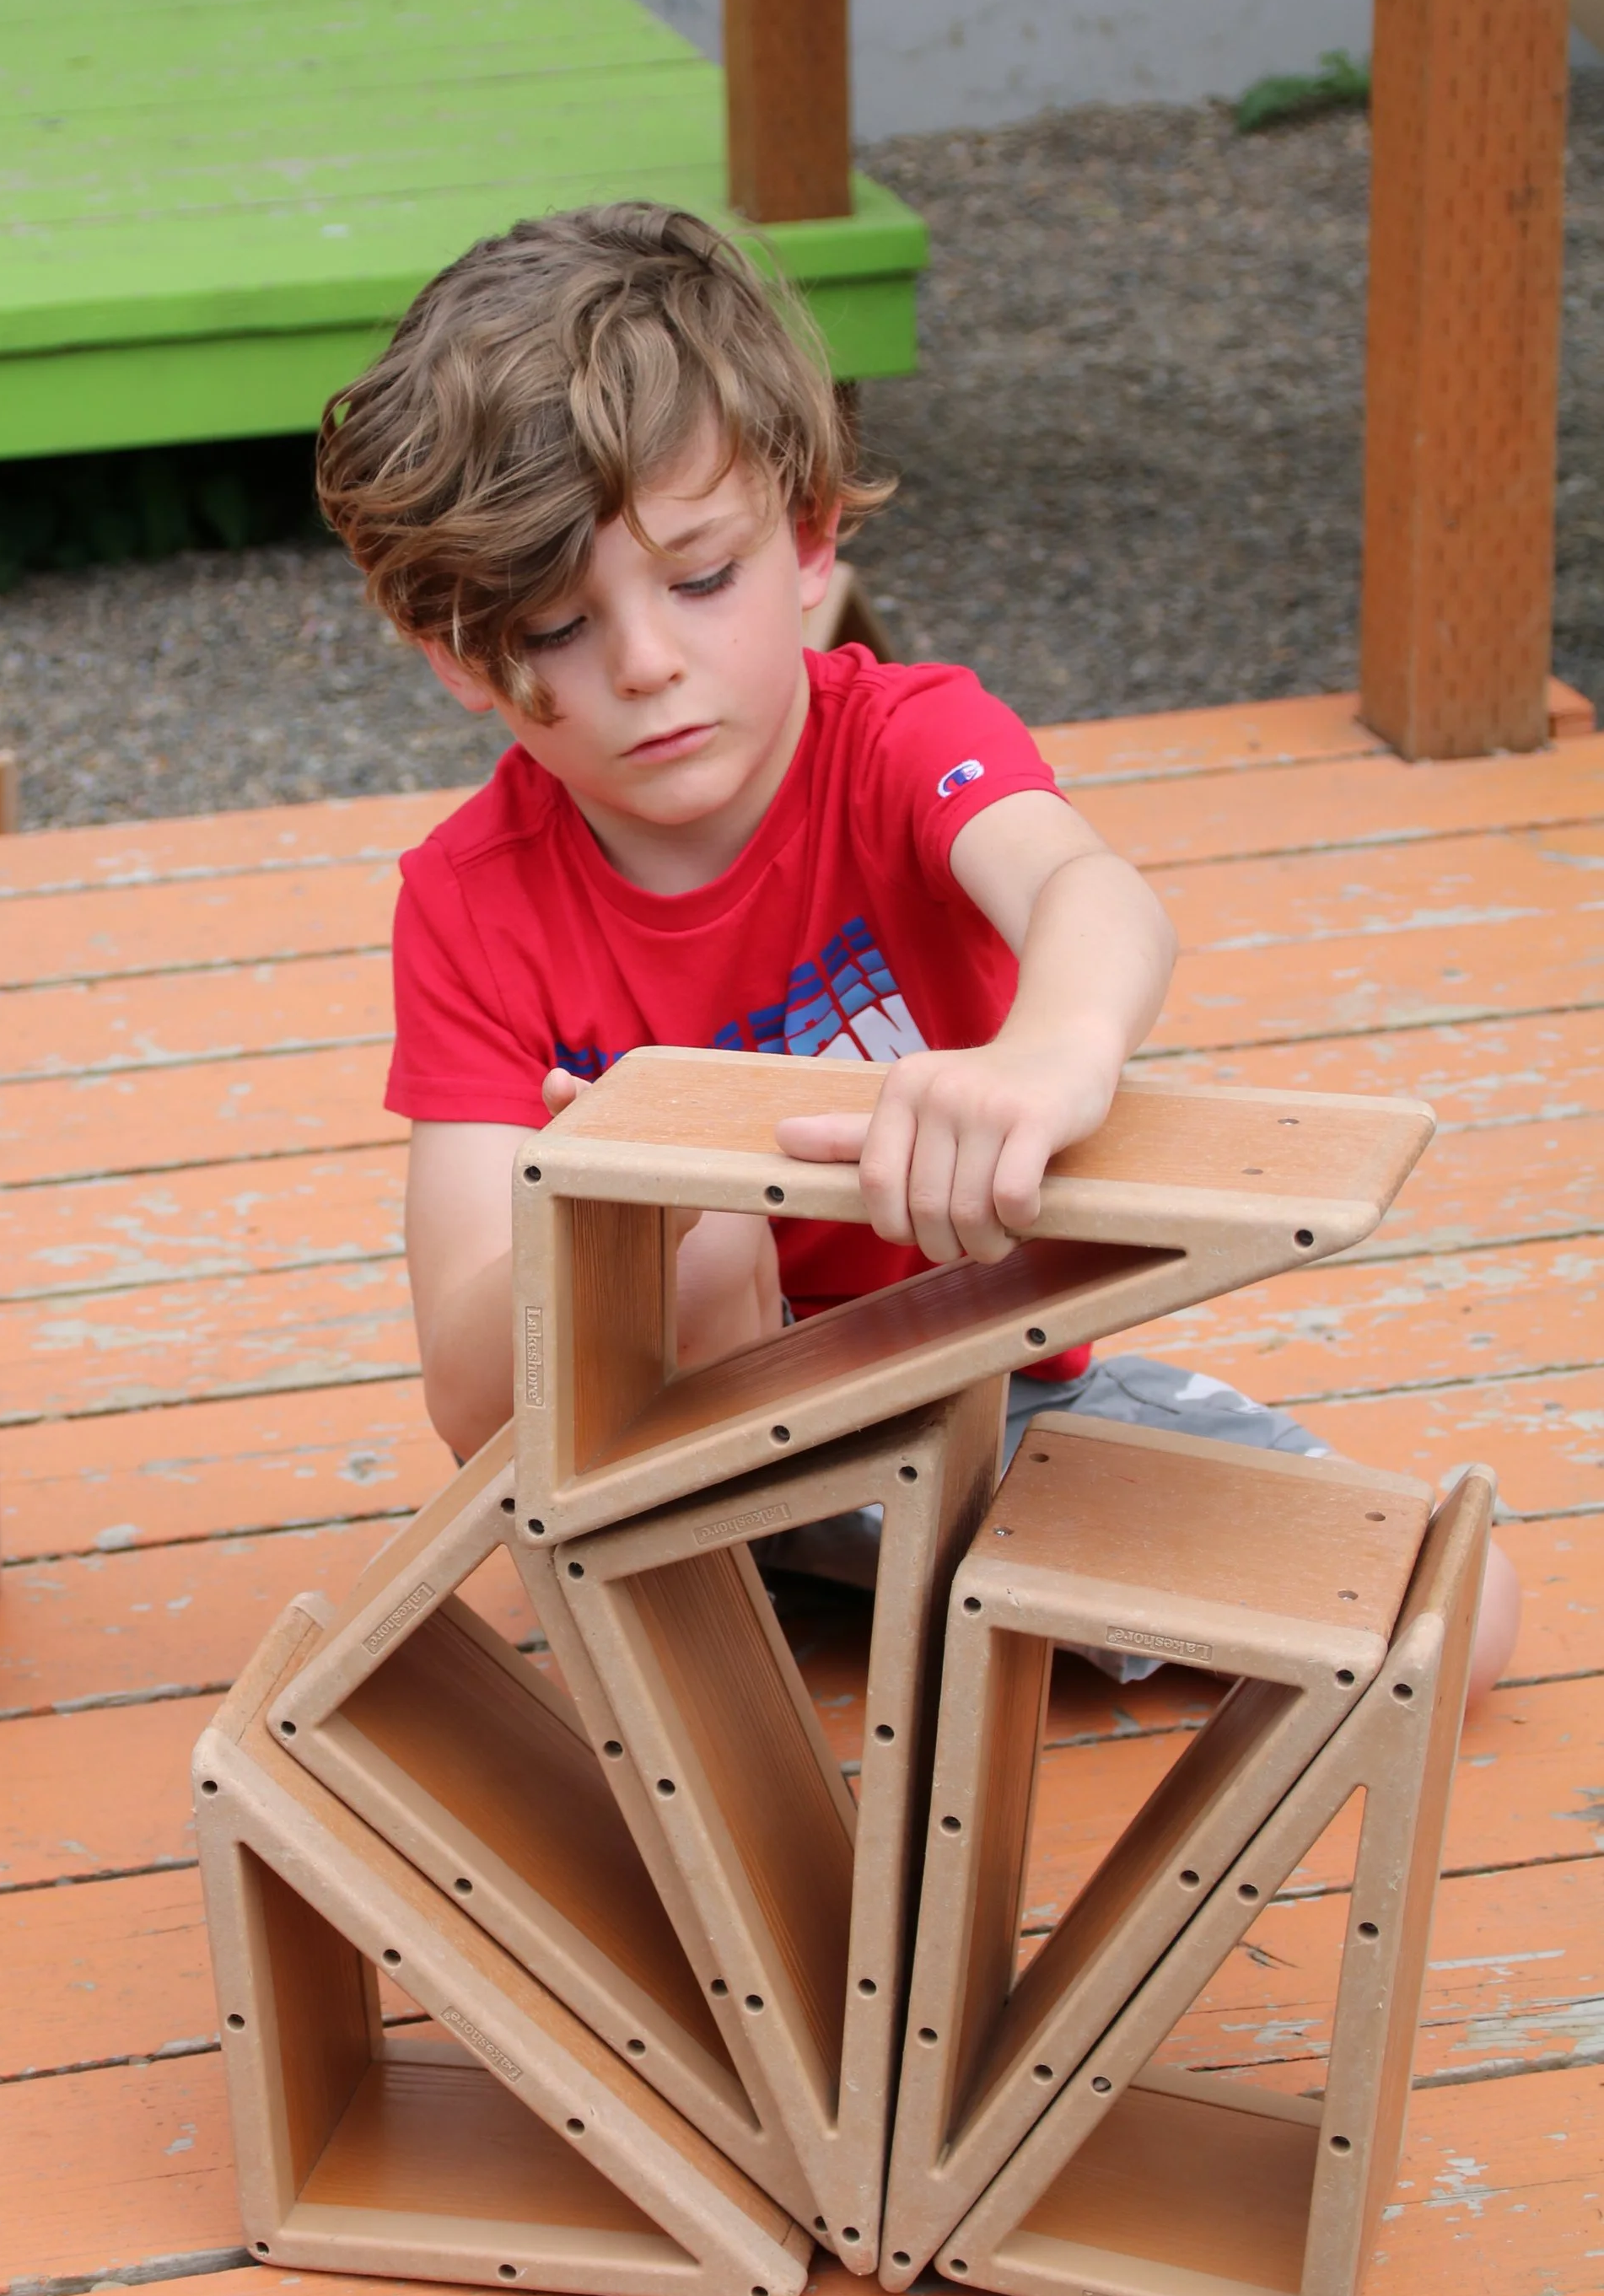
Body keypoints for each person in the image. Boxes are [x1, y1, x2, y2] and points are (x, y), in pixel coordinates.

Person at [316, 201, 1517, 1702]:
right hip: (673, 1459)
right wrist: (619, 1211)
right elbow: (466, 1385)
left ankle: (925, 1584)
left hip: (985, 1403)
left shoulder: (903, 742)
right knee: (693, 1256)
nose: (643, 662)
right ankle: (847, 1577)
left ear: (810, 541)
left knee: (1453, 1618)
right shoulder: (469, 900)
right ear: (456, 654)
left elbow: (1092, 896)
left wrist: (1048, 1059)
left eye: (699, 579)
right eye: (555, 625)